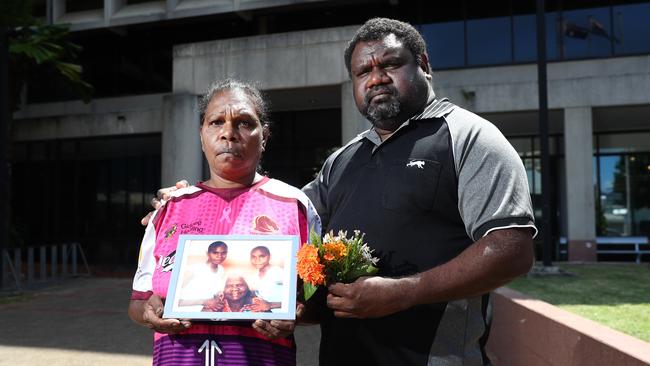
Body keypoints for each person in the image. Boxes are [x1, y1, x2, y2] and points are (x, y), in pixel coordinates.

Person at [150, 18, 536, 366]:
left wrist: (402, 293)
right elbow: (274, 222)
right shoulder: (343, 160)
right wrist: (192, 201)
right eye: (363, 70)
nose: (376, 77)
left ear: (424, 64)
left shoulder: (469, 137)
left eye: (390, 64)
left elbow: (511, 250)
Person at [128, 78, 321, 366]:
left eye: (244, 122)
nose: (228, 134)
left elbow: (322, 301)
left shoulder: (294, 206)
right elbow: (138, 300)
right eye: (216, 122)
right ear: (201, 134)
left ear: (264, 136)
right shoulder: (171, 208)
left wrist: (296, 313)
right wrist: (149, 312)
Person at [176, 241, 228, 310]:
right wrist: (204, 301)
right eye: (215, 253)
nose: (220, 256)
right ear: (207, 253)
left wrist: (219, 294)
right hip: (185, 311)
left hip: (206, 311)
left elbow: (212, 291)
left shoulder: (221, 270)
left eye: (223, 253)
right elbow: (175, 300)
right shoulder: (193, 270)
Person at [247, 245, 285, 312]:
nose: (257, 260)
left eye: (262, 256)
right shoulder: (254, 276)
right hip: (264, 316)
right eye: (253, 257)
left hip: (281, 316)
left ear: (270, 257)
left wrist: (270, 305)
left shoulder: (280, 273)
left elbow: (294, 302)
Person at [202, 275, 267, 313]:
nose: (235, 289)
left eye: (240, 285)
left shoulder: (259, 304)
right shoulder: (214, 305)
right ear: (223, 289)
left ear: (248, 287)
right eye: (229, 285)